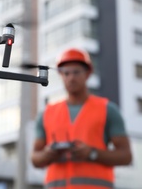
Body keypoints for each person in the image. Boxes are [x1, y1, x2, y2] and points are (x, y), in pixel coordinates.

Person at [31, 48, 132, 189]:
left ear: (88, 73)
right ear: (61, 75)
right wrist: (48, 154)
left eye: (76, 72)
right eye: (66, 73)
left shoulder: (108, 110)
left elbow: (126, 156)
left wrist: (92, 153)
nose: (71, 78)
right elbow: (35, 158)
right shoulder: (47, 113)